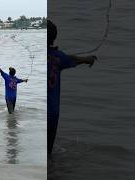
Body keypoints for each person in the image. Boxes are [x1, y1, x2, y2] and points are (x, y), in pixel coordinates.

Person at [48, 19, 97, 157]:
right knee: (48, 154)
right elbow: (73, 59)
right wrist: (87, 59)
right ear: (54, 38)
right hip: (52, 115)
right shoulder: (58, 58)